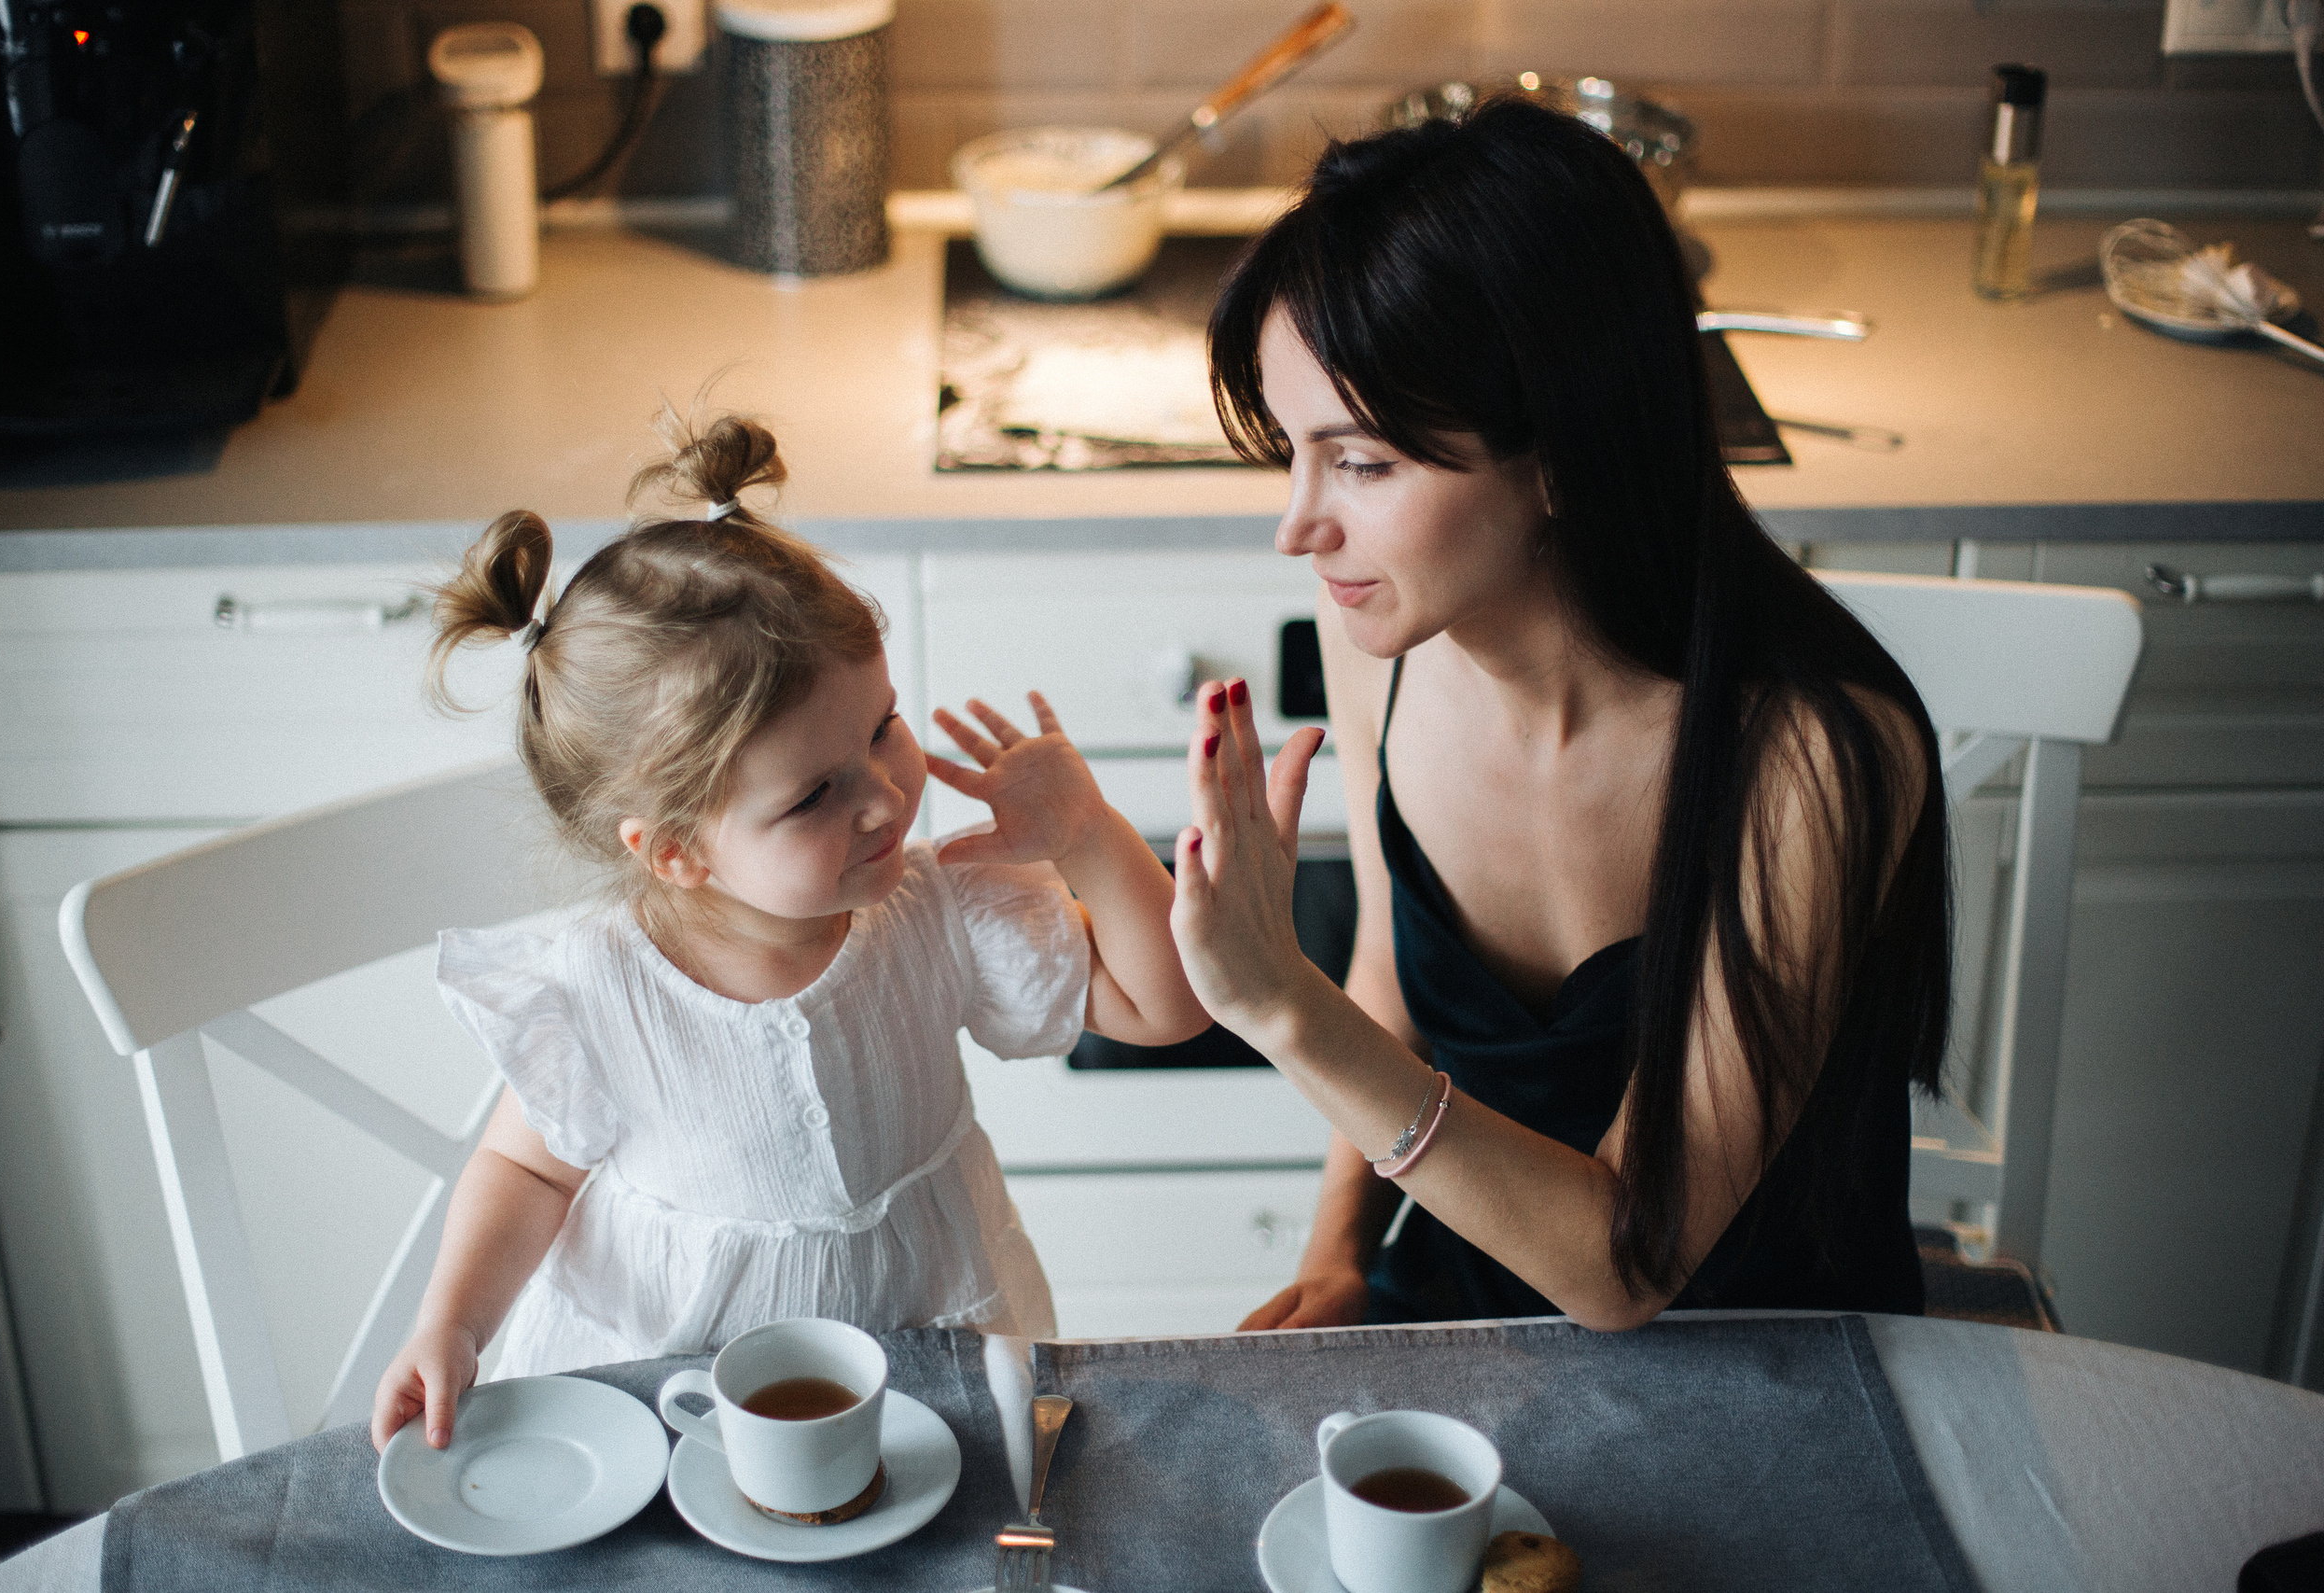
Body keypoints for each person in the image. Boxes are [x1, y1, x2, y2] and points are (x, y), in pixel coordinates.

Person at [1167, 97, 1951, 1332]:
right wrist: (1339, 1254)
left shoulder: (1815, 758)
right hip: (1468, 1302)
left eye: (1365, 463)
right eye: (1292, 453)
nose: (1298, 526)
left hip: (1777, 1364)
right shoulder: (1386, 641)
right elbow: (1393, 967)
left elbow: (1627, 1266)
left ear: (1558, 460)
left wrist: (1278, 1001)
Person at [370, 414, 1207, 1451]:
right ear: (676, 850)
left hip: (920, 1383)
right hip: (667, 1404)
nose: (883, 799)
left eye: (882, 727)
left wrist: (1090, 838)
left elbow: (1165, 1006)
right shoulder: (598, 988)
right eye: (815, 794)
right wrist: (450, 1325)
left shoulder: (939, 907)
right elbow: (527, 1173)